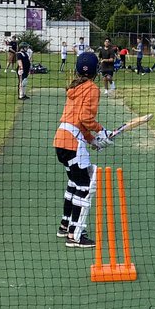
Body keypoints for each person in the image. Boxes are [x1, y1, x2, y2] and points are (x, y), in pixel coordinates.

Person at [52, 51, 109, 248]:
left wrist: (92, 140)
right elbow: (85, 119)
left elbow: (77, 121)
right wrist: (102, 131)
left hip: (61, 140)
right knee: (85, 186)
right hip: (72, 143)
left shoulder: (75, 88)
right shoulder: (92, 88)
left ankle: (65, 225)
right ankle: (75, 235)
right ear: (96, 71)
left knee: (74, 183)